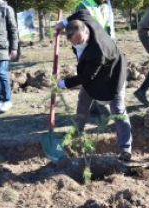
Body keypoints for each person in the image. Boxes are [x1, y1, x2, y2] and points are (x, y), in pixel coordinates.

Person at [55, 10, 133, 162]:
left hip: (113, 75)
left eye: (79, 41)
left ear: (85, 31)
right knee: (83, 100)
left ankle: (125, 150)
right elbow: (83, 12)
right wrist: (63, 23)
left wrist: (62, 83)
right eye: (74, 43)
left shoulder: (97, 51)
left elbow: (86, 77)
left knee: (118, 110)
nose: (77, 44)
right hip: (94, 71)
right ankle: (78, 131)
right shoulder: (86, 20)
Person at [75, 0, 115, 115]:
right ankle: (102, 108)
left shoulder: (105, 5)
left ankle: (92, 107)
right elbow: (79, 30)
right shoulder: (84, 5)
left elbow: (107, 26)